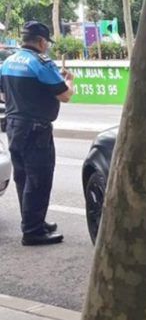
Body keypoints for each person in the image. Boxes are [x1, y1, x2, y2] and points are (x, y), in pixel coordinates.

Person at [0, 21, 74, 246]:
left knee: (23, 177)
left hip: (13, 126)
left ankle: (33, 221)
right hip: (36, 130)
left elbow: (3, 95)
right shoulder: (41, 63)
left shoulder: (8, 61)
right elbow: (65, 95)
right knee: (39, 179)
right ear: (42, 42)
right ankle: (33, 232)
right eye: (47, 43)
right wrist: (69, 81)